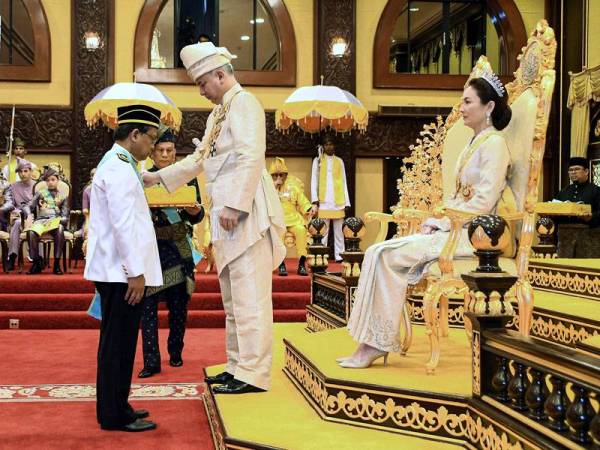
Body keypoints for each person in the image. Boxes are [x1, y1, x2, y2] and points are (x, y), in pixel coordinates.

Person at [338, 75, 514, 368]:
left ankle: (376, 343)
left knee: (386, 255)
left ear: (489, 107)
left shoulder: (495, 144)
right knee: (376, 251)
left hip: (477, 237)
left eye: (467, 101)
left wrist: (442, 222)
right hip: (456, 228)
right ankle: (371, 341)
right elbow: (459, 198)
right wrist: (437, 219)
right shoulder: (474, 144)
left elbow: (483, 203)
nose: (461, 107)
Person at [143, 41, 286, 394]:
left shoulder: (245, 103)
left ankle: (253, 374)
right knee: (234, 300)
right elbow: (198, 160)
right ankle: (237, 366)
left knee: (250, 298)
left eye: (202, 84)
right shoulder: (218, 114)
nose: (201, 91)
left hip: (247, 215)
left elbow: (252, 155)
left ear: (220, 75)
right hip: (226, 217)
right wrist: (155, 178)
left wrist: (236, 205)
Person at [84, 104, 163, 432]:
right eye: (151, 138)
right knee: (117, 345)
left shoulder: (121, 164)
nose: (153, 146)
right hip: (121, 274)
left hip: (119, 271)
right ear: (135, 134)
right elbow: (122, 224)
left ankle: (119, 405)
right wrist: (135, 272)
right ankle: (113, 415)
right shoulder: (118, 168)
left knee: (120, 343)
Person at [138, 127, 204, 378]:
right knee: (148, 306)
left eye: (169, 151)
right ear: (152, 153)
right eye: (160, 150)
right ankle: (151, 360)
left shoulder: (187, 179)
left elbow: (198, 215)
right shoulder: (144, 178)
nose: (165, 155)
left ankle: (175, 351)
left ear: (175, 153)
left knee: (178, 306)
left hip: (178, 249)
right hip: (152, 250)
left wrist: (195, 210)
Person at [269, 157, 315, 276]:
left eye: (281, 175)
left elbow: (302, 201)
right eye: (275, 175)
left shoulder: (293, 186)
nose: (279, 177)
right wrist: (274, 187)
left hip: (294, 219)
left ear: (286, 175)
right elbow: (266, 203)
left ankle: (301, 264)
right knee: (278, 235)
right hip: (277, 221)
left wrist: (309, 208)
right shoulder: (268, 188)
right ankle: (281, 264)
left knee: (301, 230)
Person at [310, 133, 350, 262]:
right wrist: (315, 200)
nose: (329, 146)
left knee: (339, 231)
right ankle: (322, 255)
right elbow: (314, 180)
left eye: (331, 144)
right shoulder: (318, 161)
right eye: (326, 144)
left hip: (338, 200)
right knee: (323, 230)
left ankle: (339, 255)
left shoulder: (339, 161)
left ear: (335, 146)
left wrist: (347, 202)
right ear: (323, 146)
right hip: (324, 201)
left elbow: (344, 181)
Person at [24, 167, 69, 275]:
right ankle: (36, 263)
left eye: (53, 180)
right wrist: (29, 215)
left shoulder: (63, 196)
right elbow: (27, 206)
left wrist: (59, 221)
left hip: (54, 222)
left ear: (58, 180)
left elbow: (65, 216)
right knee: (31, 232)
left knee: (60, 229)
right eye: (48, 180)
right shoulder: (40, 193)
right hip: (41, 221)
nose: (50, 182)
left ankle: (56, 264)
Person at [1, 160, 36, 271]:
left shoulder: (37, 185)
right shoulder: (13, 186)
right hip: (19, 216)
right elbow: (10, 202)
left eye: (25, 171)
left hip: (35, 216)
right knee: (16, 223)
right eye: (20, 172)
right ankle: (12, 256)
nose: (23, 174)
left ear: (30, 171)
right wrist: (3, 209)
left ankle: (36, 258)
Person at [554, 157, 600, 228]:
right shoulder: (563, 192)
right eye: (570, 170)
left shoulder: (596, 190)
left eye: (577, 169)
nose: (573, 172)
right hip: (564, 233)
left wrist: (591, 217)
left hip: (589, 233)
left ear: (586, 171)